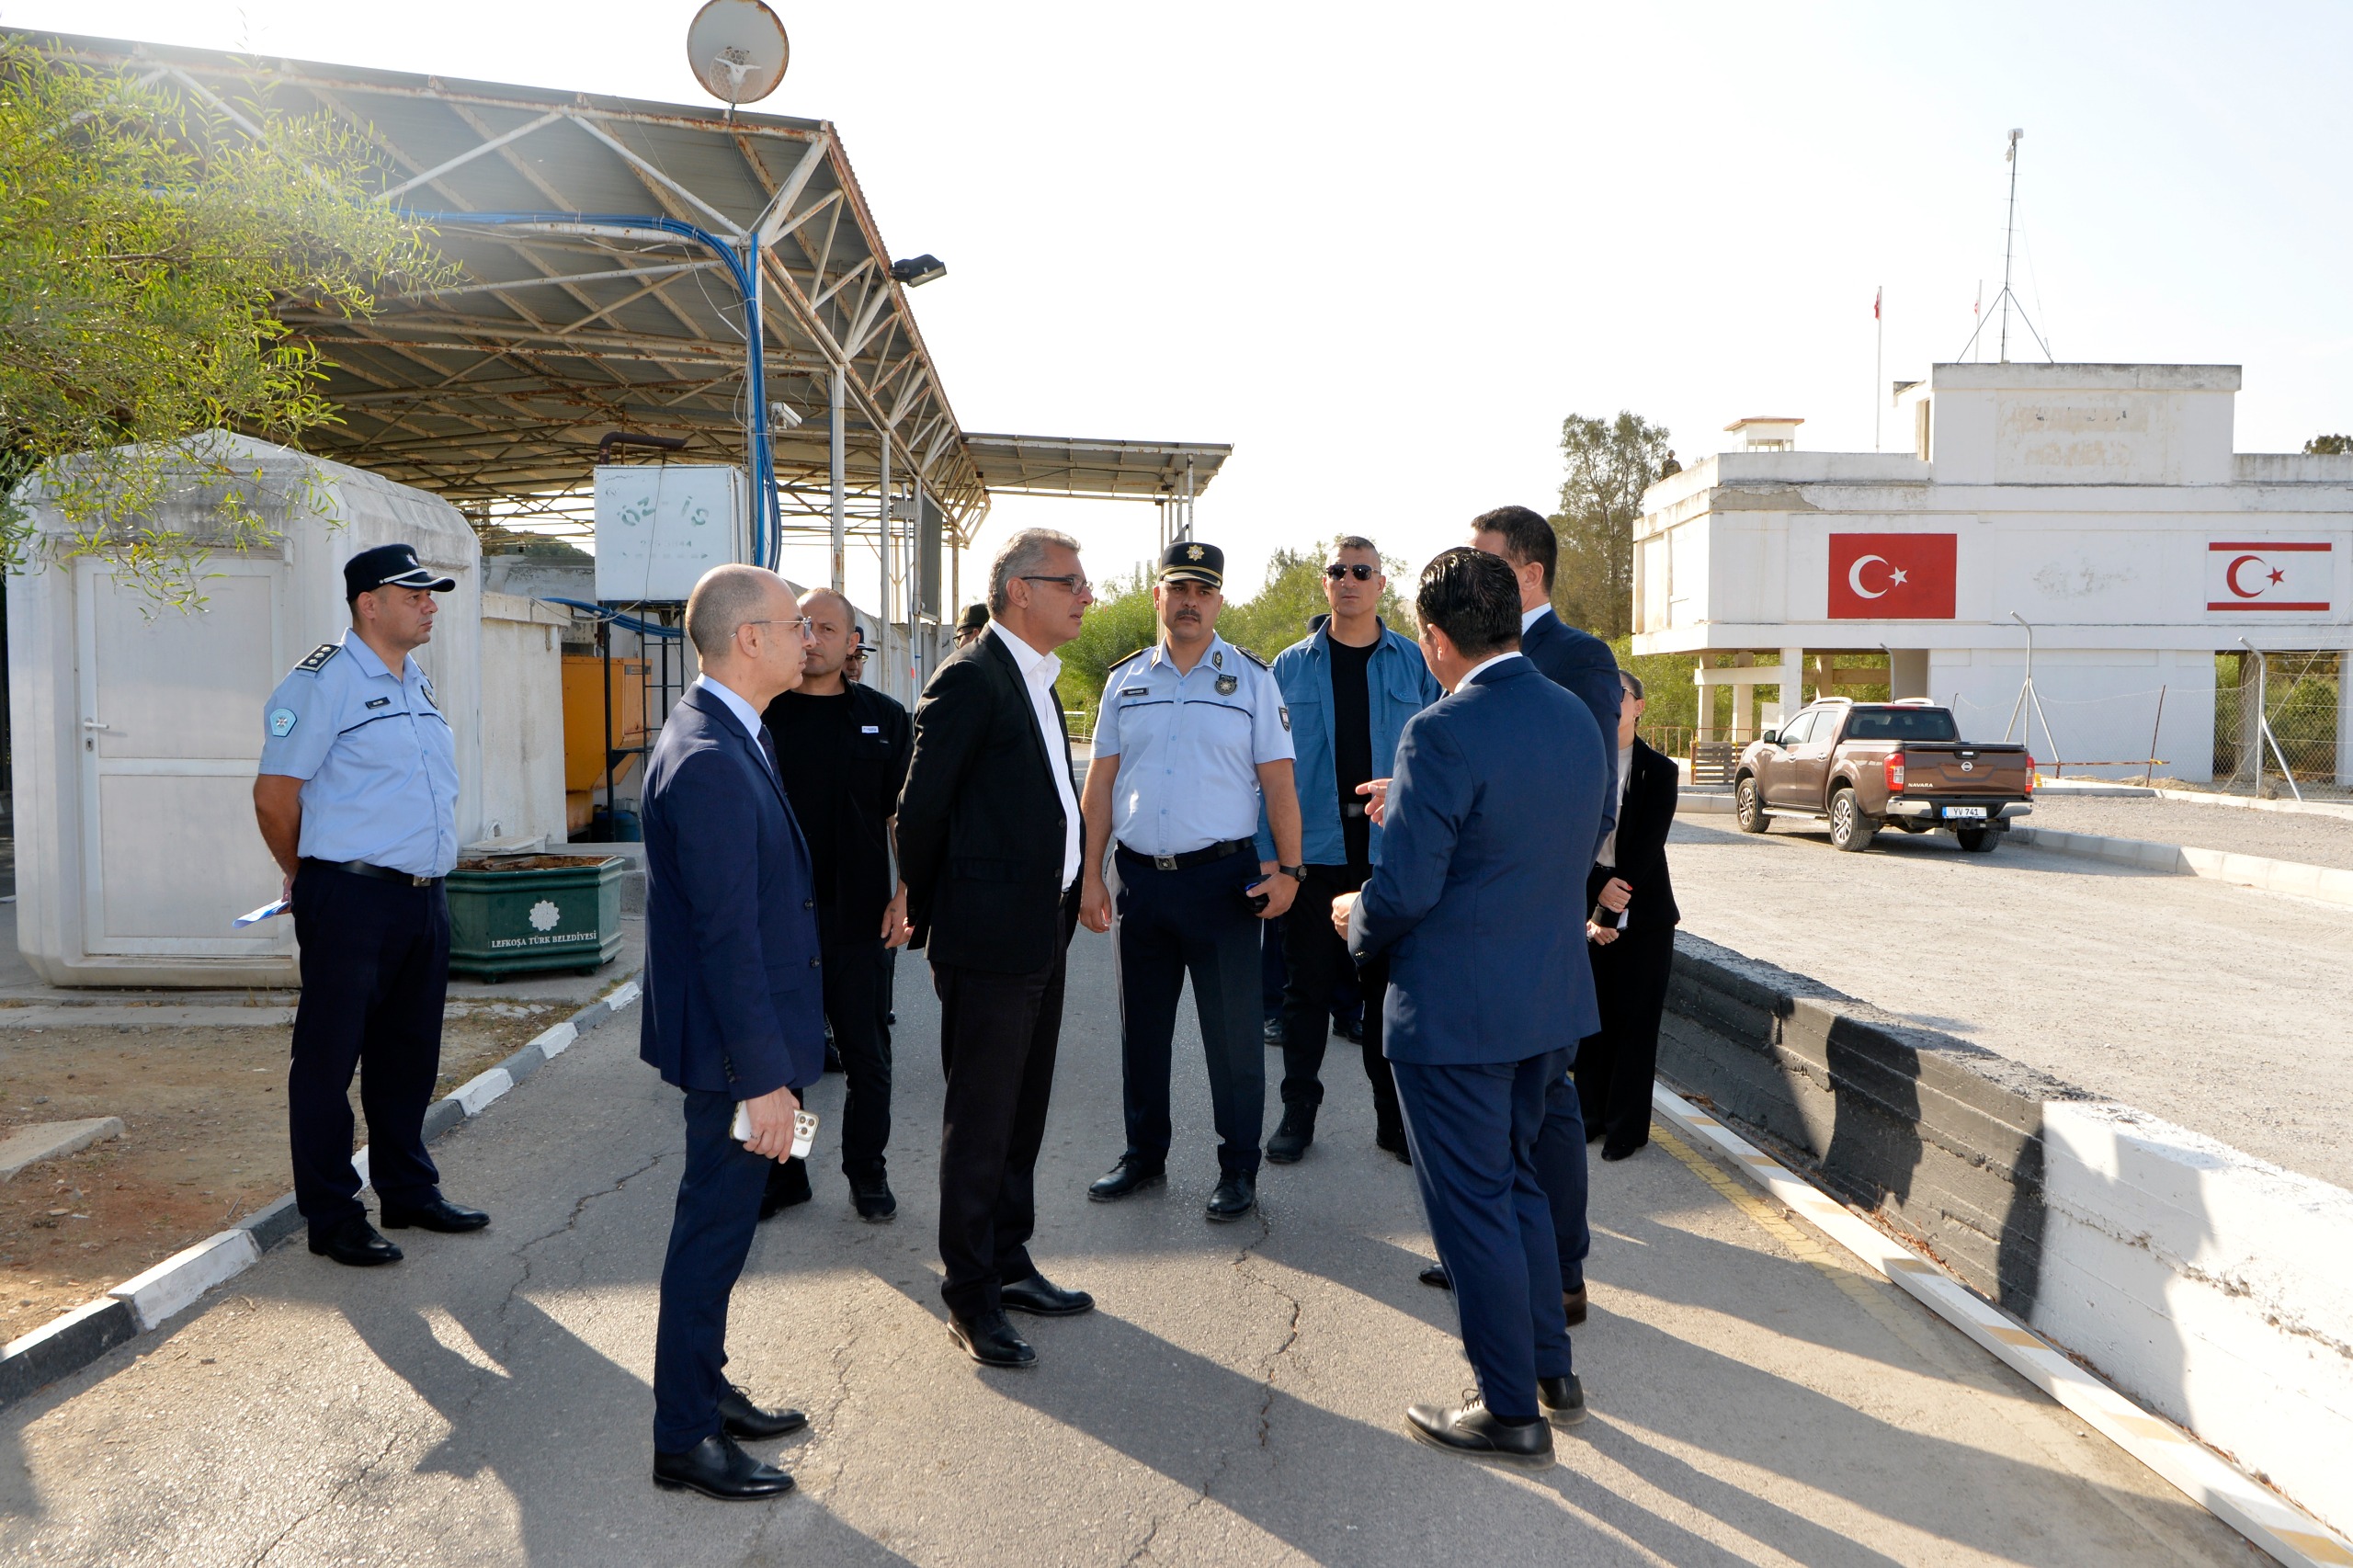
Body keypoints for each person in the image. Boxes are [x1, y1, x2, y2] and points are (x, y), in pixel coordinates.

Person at [1335, 547, 1607, 1469]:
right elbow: (1544, 838)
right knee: (1519, 1184)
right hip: (1547, 999)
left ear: (1435, 638)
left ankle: (1507, 1409)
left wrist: (1354, 917)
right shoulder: (1573, 714)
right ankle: (1549, 1371)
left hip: (1457, 1013)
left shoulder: (1439, 730)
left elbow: (1408, 888)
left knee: (1474, 1209)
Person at [639, 563, 823, 1502]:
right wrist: (762, 1076)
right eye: (795, 626)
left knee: (721, 1228)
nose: (810, 639)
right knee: (711, 1234)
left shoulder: (731, 730)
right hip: (731, 1049)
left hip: (737, 1038)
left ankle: (704, 1388)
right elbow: (726, 935)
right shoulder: (710, 755)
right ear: (749, 638)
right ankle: (684, 1436)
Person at [253, 542, 486, 1269]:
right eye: (414, 595)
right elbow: (274, 797)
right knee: (328, 1062)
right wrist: (306, 874)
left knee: (407, 1055)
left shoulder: (417, 680)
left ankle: (408, 1191)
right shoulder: (321, 681)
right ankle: (332, 1216)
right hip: (351, 896)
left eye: (430, 594)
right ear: (369, 605)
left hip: (422, 897)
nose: (429, 606)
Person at [896, 528, 1097, 1370]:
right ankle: (970, 1295)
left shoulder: (1037, 677)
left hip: (1041, 925)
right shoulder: (972, 677)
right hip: (988, 938)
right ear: (1020, 591)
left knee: (1023, 1110)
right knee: (980, 1122)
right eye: (1070, 582)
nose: (1086, 595)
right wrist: (927, 907)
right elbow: (921, 810)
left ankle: (1010, 1263)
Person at [1079, 540, 1303, 1223]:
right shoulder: (1125, 680)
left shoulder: (1252, 680)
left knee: (1234, 1041)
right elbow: (1101, 783)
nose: (1189, 602)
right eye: (1178, 588)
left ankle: (1238, 1169)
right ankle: (1144, 1156)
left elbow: (1279, 784)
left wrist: (1291, 871)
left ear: (1219, 602)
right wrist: (1090, 875)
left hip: (1221, 883)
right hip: (1141, 884)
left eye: (1203, 591)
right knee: (1142, 1034)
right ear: (1158, 595)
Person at [1258, 536, 1441, 1165]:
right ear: (1325, 581)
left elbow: (1442, 755)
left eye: (1362, 571)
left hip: (1390, 856)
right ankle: (1297, 1116)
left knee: (1386, 996)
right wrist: (1271, 856)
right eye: (1338, 570)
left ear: (1381, 584)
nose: (1349, 580)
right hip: (1313, 857)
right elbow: (1266, 769)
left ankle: (1393, 1122)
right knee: (1305, 994)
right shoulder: (1289, 668)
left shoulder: (1414, 664)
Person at [760, 586, 914, 1222]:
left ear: (852, 643)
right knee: (786, 1059)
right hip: (780, 920)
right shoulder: (762, 715)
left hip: (860, 918)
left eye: (828, 628)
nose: (813, 637)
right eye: (803, 624)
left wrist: (906, 892)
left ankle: (866, 1172)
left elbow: (902, 816)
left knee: (866, 1058)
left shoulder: (885, 718)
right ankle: (785, 1171)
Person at [1577, 671, 1680, 1160]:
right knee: (1591, 1020)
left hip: (1644, 917)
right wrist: (1594, 891)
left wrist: (1607, 908)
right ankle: (1588, 1116)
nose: (1609, 700)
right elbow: (1565, 837)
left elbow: (1644, 848)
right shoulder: (1580, 762)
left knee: (1636, 1024)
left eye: (1618, 693)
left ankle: (1626, 1128)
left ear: (1638, 706)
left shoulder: (1660, 771)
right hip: (1586, 905)